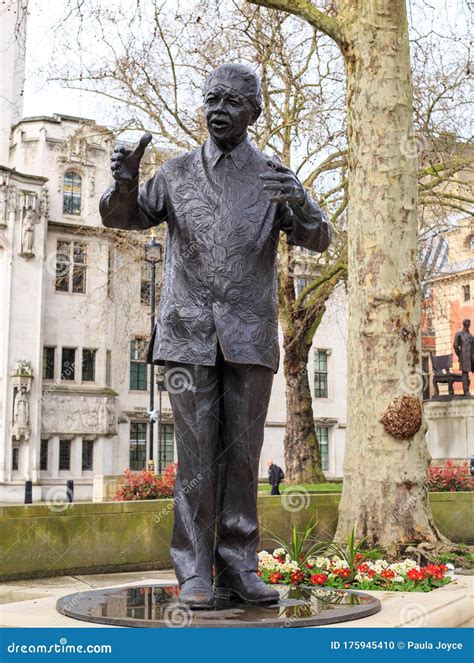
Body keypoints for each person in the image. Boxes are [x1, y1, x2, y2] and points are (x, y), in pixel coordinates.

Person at [100, 63, 331, 609]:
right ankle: (194, 571)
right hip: (187, 336)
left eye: (232, 101)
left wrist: (299, 201)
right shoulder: (176, 174)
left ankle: (240, 564)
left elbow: (319, 237)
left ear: (254, 111)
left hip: (249, 337)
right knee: (196, 455)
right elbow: (123, 218)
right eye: (212, 99)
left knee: (243, 457)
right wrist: (126, 179)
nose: (219, 109)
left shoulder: (275, 178)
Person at [453, 319, 473, 396]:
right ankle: (466, 391)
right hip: (463, 356)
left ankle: (467, 390)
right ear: (465, 324)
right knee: (465, 373)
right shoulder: (459, 334)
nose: (469, 325)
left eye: (470, 323)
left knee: (467, 373)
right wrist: (460, 355)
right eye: (468, 323)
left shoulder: (470, 335)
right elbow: (455, 345)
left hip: (470, 357)